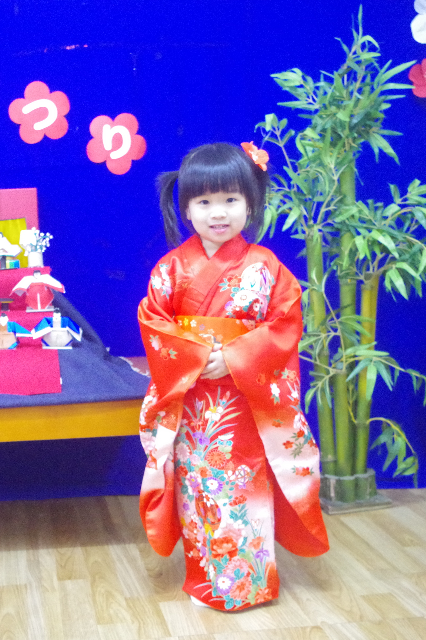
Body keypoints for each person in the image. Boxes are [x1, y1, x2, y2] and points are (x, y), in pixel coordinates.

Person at [137, 142, 329, 611]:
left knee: (244, 487)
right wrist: (199, 357)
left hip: (246, 402)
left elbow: (285, 324)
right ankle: (207, 580)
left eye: (230, 200)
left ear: (250, 203)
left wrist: (237, 356)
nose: (218, 213)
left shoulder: (266, 268)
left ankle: (248, 584)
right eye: (204, 202)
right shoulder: (172, 269)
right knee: (199, 490)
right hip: (194, 402)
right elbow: (154, 322)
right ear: (186, 209)